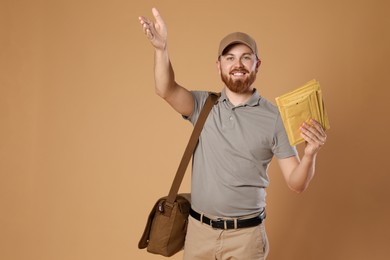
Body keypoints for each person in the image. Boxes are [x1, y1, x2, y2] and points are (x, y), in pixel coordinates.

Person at [139, 8, 327, 260]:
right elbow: (165, 89)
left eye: (246, 58)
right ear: (219, 66)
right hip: (199, 233)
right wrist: (161, 49)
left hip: (246, 239)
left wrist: (310, 154)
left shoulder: (275, 118)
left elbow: (296, 182)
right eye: (229, 58)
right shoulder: (203, 105)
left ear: (257, 64)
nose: (237, 64)